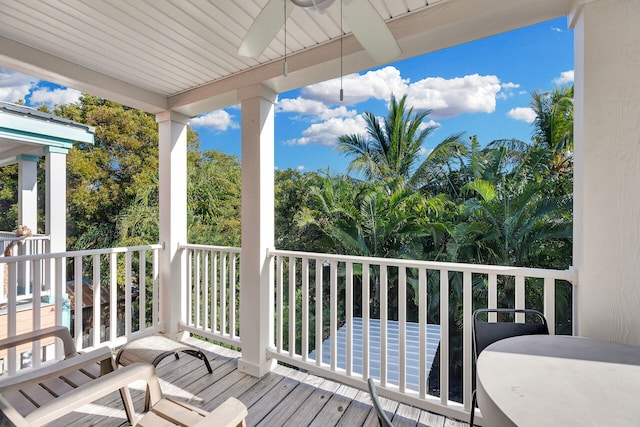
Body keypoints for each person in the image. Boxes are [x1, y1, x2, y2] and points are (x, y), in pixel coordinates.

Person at [3, 225, 33, 297]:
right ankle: (3, 296)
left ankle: (3, 296)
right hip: (7, 259)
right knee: (5, 277)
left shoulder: (14, 243)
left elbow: (8, 252)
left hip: (7, 259)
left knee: (5, 277)